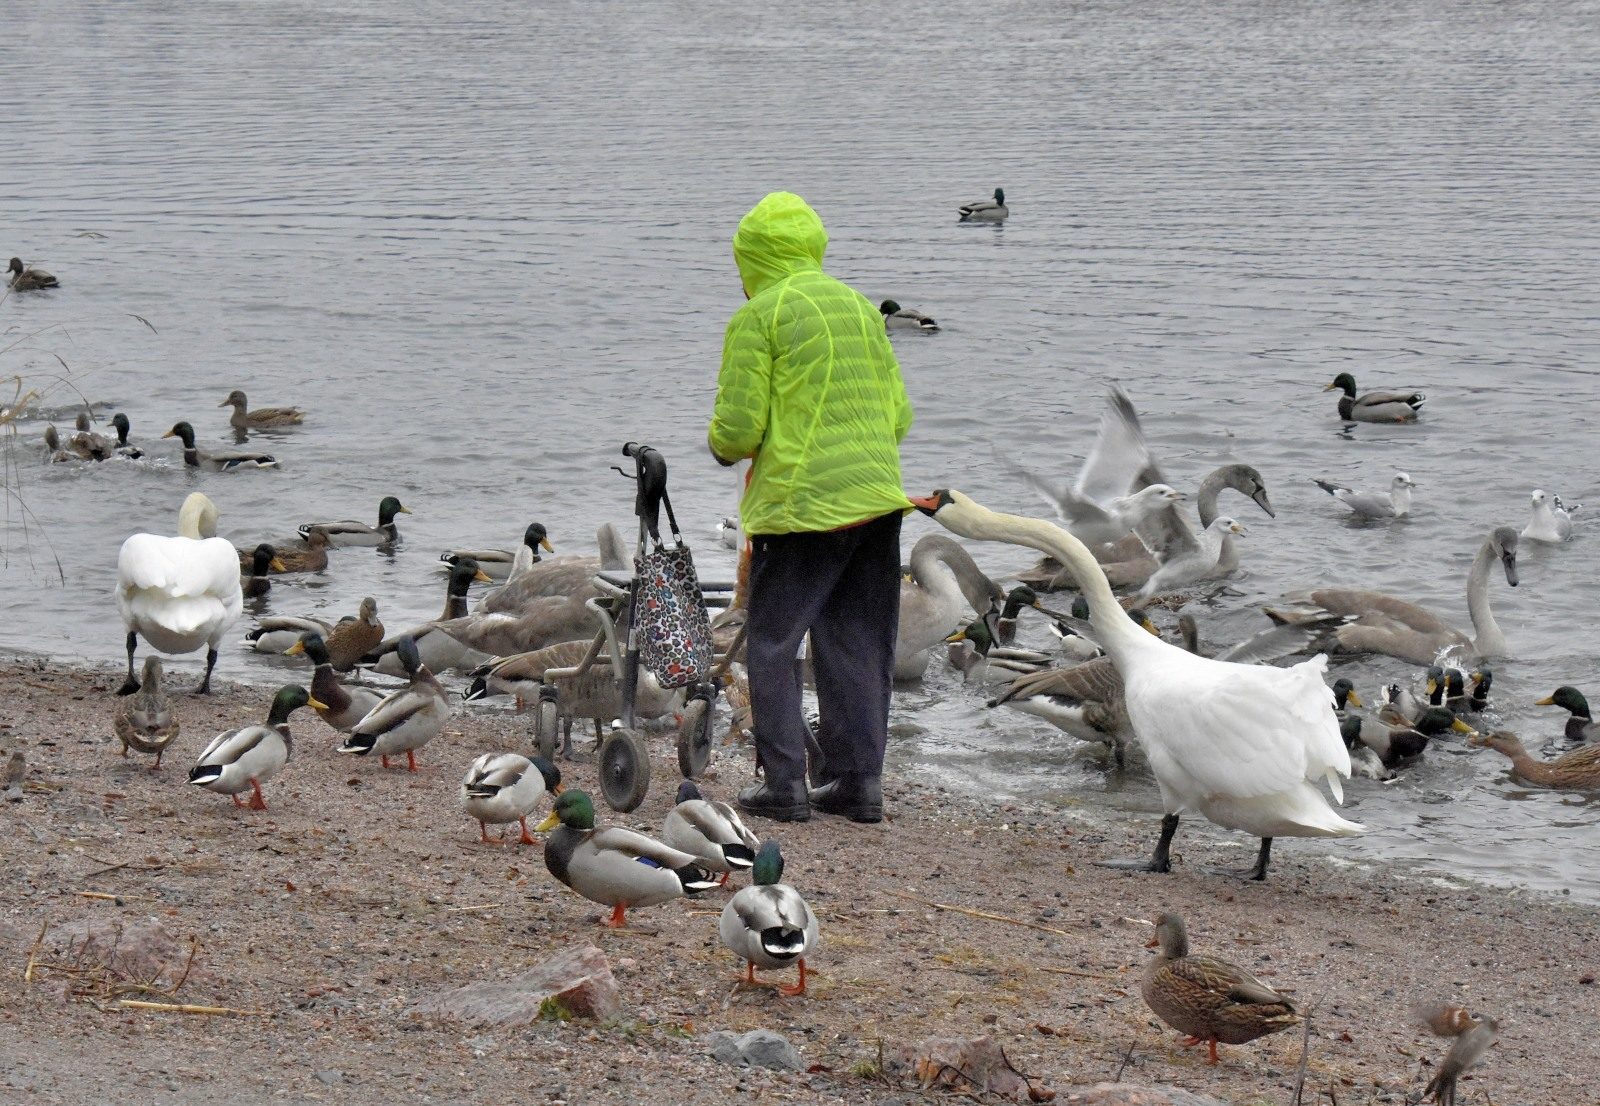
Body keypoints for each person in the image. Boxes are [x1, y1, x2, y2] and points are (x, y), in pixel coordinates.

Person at [708, 191, 914, 824]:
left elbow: (739, 430)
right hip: (877, 501)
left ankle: (785, 786)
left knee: (772, 643)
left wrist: (721, 447)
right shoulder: (858, 307)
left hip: (802, 510)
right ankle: (859, 785)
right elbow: (900, 417)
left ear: (751, 259)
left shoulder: (759, 317)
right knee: (855, 642)